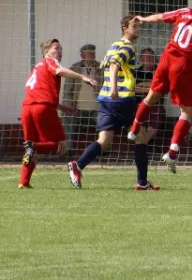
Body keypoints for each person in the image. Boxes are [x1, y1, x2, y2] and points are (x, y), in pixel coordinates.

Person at [127, 0, 192, 174]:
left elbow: (161, 17)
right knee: (187, 111)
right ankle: (172, 152)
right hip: (183, 65)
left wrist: (144, 19)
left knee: (152, 95)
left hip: (166, 57)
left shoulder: (185, 11)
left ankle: (134, 129)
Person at [67, 16, 141, 189]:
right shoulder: (127, 47)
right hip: (121, 100)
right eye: (134, 26)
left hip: (105, 100)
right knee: (141, 137)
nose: (138, 30)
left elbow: (109, 66)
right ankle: (143, 183)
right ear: (125, 28)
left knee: (105, 140)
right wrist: (115, 88)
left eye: (139, 27)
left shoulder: (114, 45)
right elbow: (114, 66)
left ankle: (78, 165)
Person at [19, 39, 98, 188]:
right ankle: (34, 146)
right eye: (56, 48)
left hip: (27, 109)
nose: (59, 51)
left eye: (61, 48)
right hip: (42, 109)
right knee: (62, 146)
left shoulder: (37, 67)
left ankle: (24, 181)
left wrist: (60, 106)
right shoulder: (49, 61)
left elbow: (38, 91)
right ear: (46, 52)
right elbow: (59, 70)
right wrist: (83, 77)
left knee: (30, 149)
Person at [61, 44, 102, 154]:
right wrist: (69, 107)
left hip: (96, 110)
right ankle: (68, 150)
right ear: (82, 55)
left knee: (105, 121)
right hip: (77, 109)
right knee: (67, 120)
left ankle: (103, 148)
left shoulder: (101, 68)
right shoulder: (74, 69)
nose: (91, 55)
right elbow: (67, 91)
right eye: (88, 53)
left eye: (93, 53)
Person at [133, 48, 166, 131]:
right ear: (141, 59)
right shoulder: (136, 72)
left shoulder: (159, 70)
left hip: (155, 105)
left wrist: (141, 84)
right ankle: (142, 138)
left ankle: (146, 139)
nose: (148, 58)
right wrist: (152, 87)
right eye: (146, 56)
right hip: (137, 103)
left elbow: (162, 86)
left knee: (157, 114)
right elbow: (132, 89)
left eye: (150, 56)